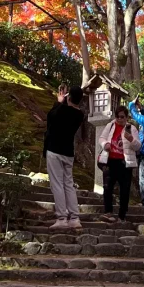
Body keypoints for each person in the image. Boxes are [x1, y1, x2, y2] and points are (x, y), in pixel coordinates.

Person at [43, 84, 85, 230]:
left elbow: (50, 117)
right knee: (68, 184)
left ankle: (62, 217)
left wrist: (60, 101)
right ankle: (74, 217)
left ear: (69, 97)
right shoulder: (79, 114)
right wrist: (63, 102)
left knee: (57, 184)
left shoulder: (61, 110)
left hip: (55, 150)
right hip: (68, 152)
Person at [97, 105, 140, 222]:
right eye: (117, 117)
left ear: (126, 117)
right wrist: (105, 144)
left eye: (122, 117)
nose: (119, 119)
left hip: (125, 162)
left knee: (124, 189)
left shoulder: (132, 129)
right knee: (107, 187)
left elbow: (138, 146)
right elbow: (101, 138)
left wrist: (131, 138)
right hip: (110, 160)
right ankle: (108, 212)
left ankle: (122, 215)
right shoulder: (110, 125)